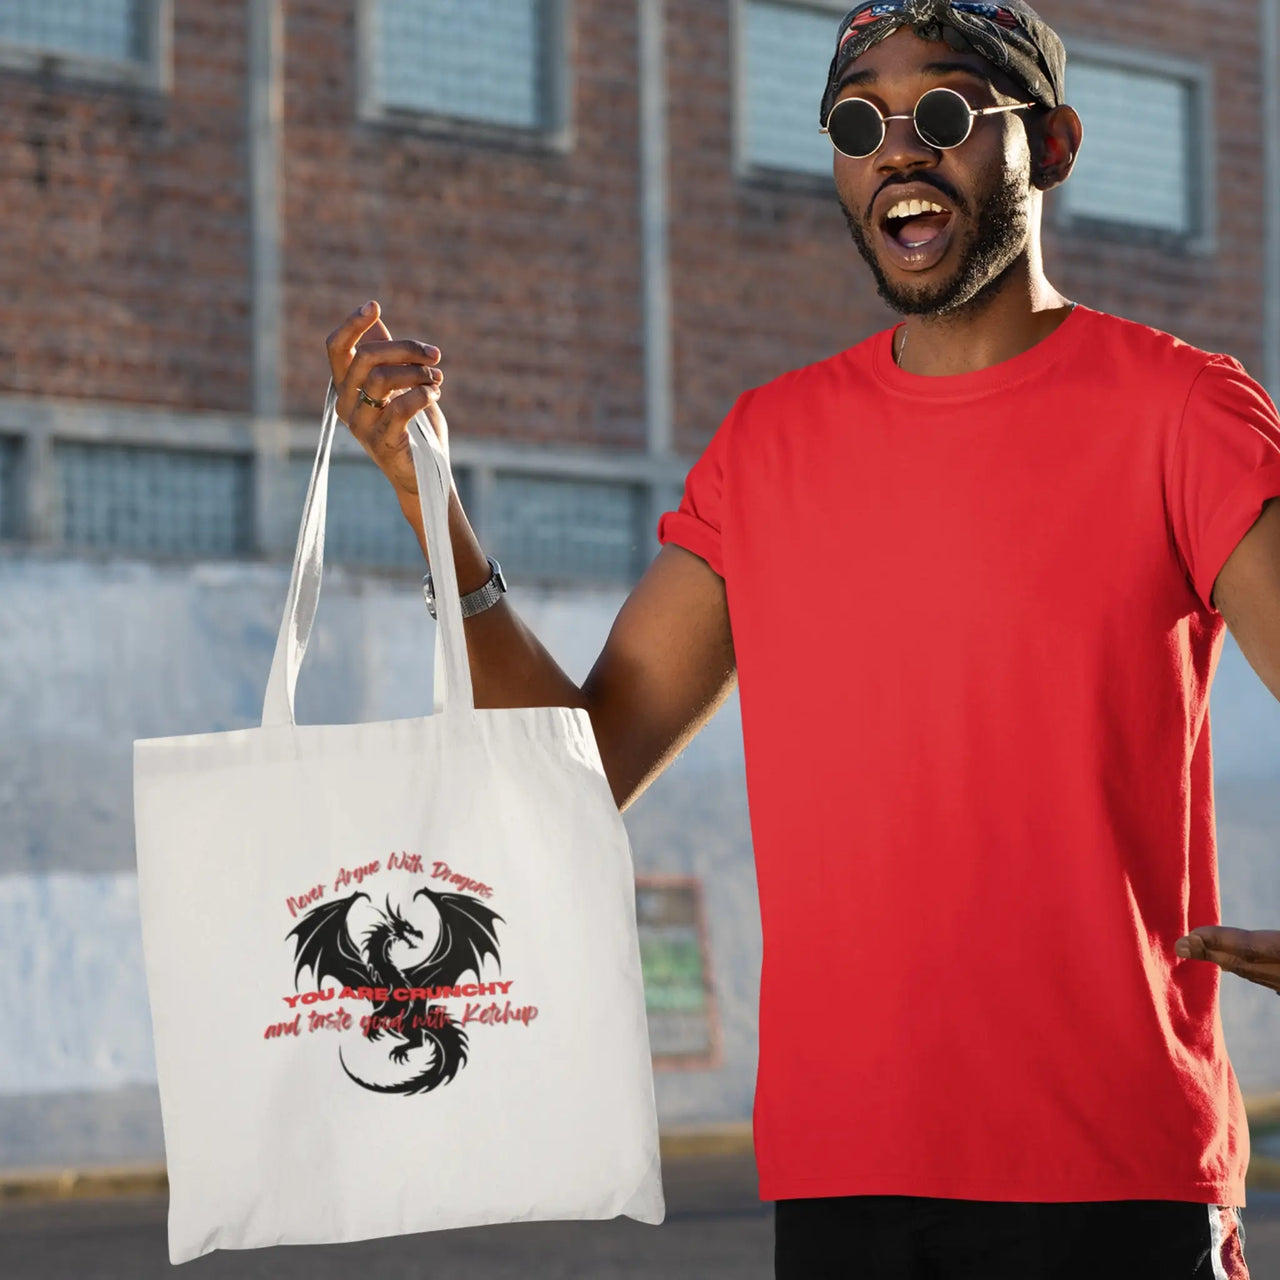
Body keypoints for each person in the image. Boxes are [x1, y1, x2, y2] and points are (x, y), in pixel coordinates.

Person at [323, 2, 1280, 1274]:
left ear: (1047, 146)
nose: (896, 149)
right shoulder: (766, 448)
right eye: (855, 122)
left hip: (1113, 1173)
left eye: (942, 112)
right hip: (848, 1175)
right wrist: (428, 510)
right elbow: (583, 769)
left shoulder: (1179, 412)